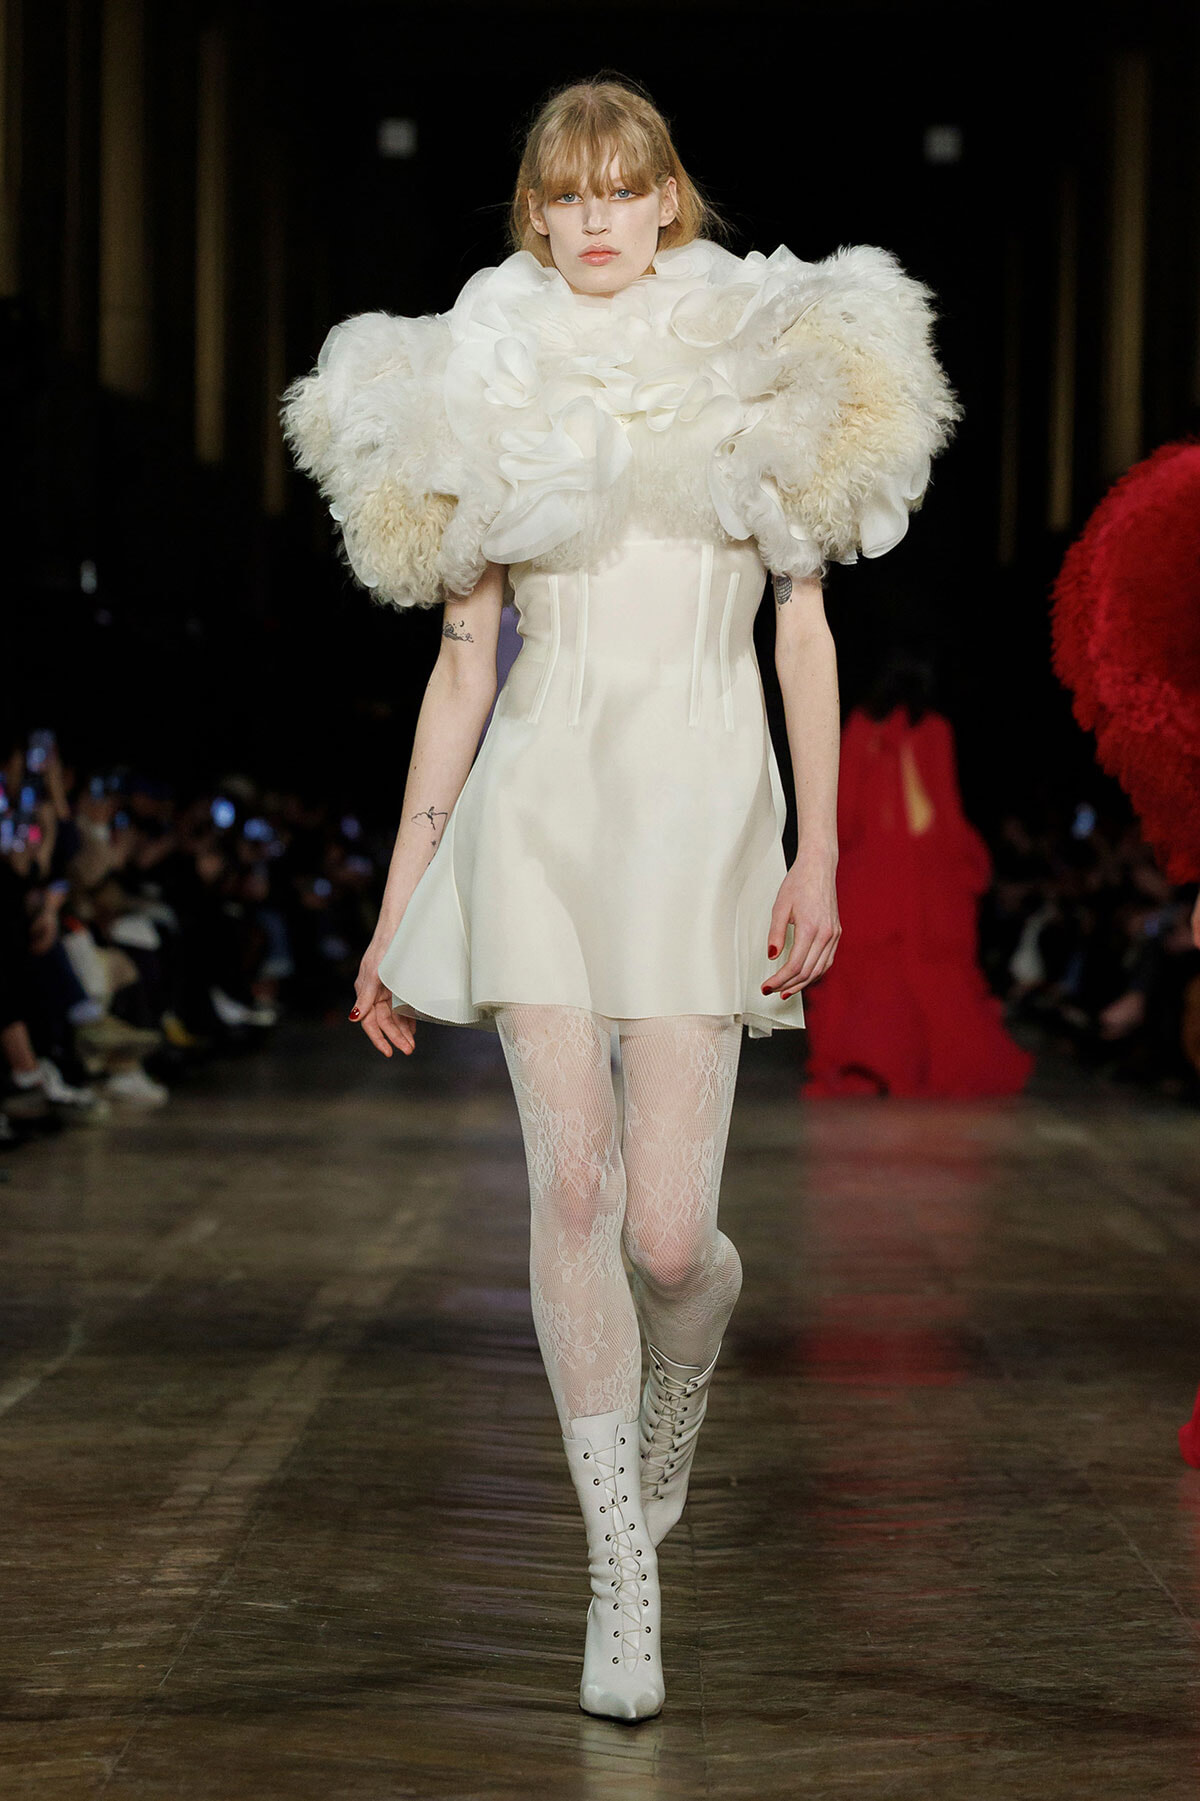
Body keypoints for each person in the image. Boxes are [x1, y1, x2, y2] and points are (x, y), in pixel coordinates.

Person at [281, 77, 960, 1721]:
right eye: (563, 192)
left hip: (701, 806)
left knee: (669, 1235)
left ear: (671, 201)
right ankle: (618, 1577)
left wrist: (817, 849)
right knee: (570, 1196)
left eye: (623, 186)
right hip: (537, 802)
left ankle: (692, 1365)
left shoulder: (769, 357)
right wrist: (398, 900)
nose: (593, 218)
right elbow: (459, 666)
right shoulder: (483, 371)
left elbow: (803, 627)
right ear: (535, 214)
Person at [803, 652, 1034, 1097]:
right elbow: (939, 812)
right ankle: (915, 1066)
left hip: (873, 874)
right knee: (925, 972)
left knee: (873, 973)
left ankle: (867, 1063)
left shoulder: (862, 727)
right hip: (923, 876)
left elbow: (846, 813)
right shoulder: (934, 730)